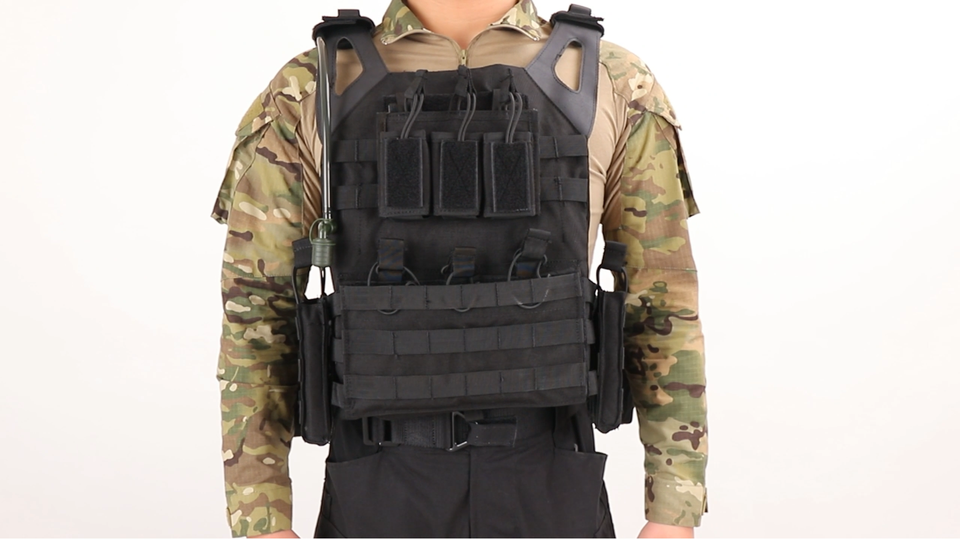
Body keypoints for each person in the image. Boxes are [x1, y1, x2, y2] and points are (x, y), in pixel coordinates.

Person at [211, 0, 707, 537]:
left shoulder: (615, 82)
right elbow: (257, 314)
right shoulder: (308, 88)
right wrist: (261, 521)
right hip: (377, 485)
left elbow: (662, 302)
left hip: (551, 477)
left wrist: (673, 511)